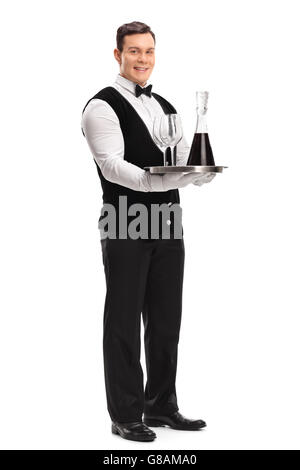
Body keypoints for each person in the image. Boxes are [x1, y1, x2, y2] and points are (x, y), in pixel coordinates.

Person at [81, 21, 215, 442]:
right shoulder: (100, 107)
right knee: (122, 320)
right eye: (134, 51)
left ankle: (161, 405)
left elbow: (177, 156)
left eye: (149, 51)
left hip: (168, 223)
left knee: (165, 319)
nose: (143, 59)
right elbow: (113, 166)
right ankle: (125, 414)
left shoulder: (164, 106)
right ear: (117, 55)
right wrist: (164, 182)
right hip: (123, 221)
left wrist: (197, 172)